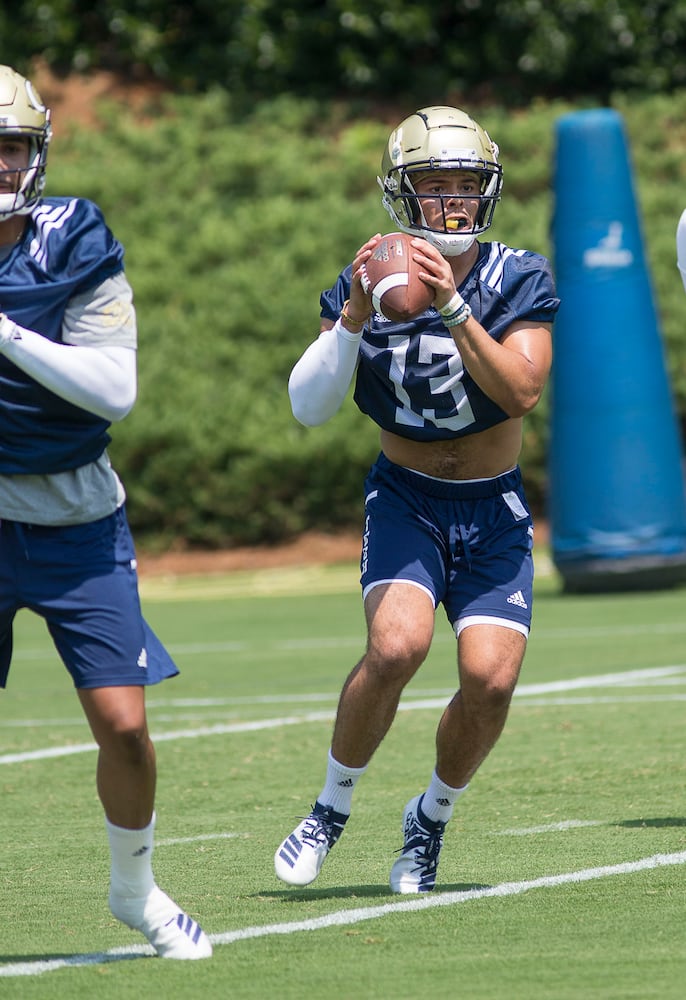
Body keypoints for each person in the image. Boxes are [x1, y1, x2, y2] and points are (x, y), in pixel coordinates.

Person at [274, 106, 560, 894]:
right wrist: (356, 316)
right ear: (405, 195)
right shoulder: (366, 274)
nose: (454, 201)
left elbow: (523, 390)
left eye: (467, 184)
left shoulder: (517, 276)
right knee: (397, 647)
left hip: (492, 506)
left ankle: (429, 819)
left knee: (491, 679)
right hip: (407, 497)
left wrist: (453, 308)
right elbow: (307, 406)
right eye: (436, 185)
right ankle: (330, 808)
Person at [0, 65, 211, 958]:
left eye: (8, 148)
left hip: (78, 520)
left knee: (124, 727)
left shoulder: (72, 234)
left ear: (36, 153)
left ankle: (135, 891)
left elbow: (115, 390)